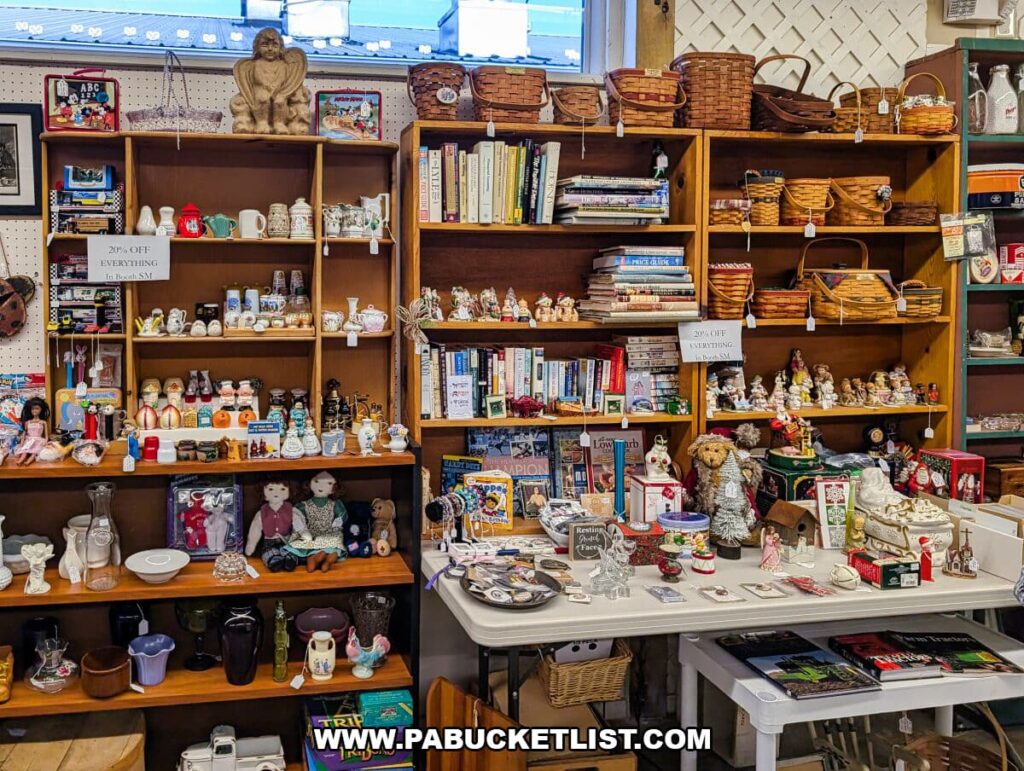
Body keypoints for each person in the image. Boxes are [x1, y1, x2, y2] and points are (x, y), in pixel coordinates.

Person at [14, 398, 49, 466]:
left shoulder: (43, 422)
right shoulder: (28, 422)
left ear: (41, 410)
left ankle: (28, 462)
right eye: (33, 409)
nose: (34, 410)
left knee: (35, 452)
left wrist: (46, 441)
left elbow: (46, 435)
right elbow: (24, 433)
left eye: (37, 408)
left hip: (39, 440)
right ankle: (20, 460)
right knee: (25, 451)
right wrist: (22, 443)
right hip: (29, 440)